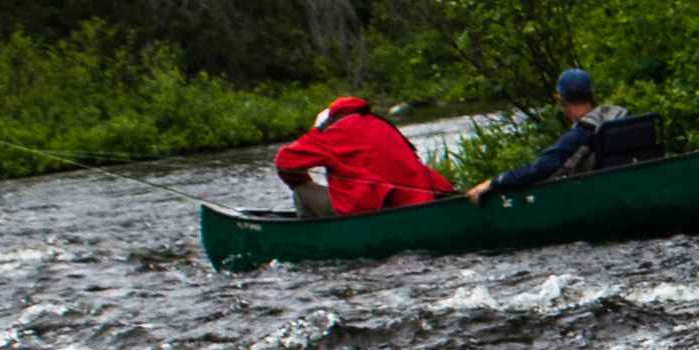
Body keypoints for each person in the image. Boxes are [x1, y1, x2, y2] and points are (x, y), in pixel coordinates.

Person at [468, 69, 639, 202]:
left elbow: (539, 169)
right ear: (589, 95)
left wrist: (493, 183)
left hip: (605, 191)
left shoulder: (580, 134)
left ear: (562, 100)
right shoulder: (620, 118)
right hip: (631, 182)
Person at [272, 95, 452, 217]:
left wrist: (302, 180)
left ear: (327, 122)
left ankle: (316, 237)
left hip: (373, 208)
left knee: (301, 192)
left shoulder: (333, 132)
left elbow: (284, 161)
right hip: (419, 201)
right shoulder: (381, 123)